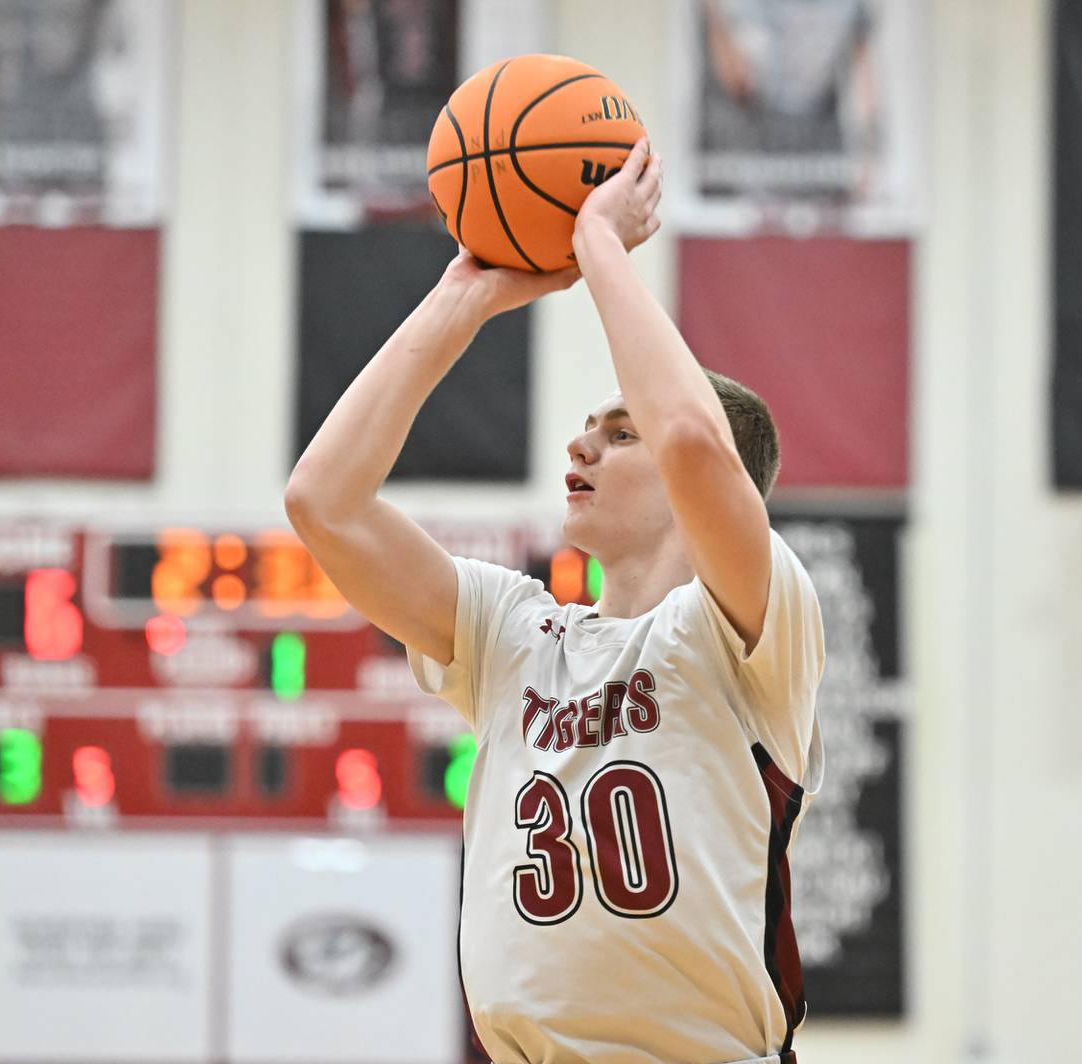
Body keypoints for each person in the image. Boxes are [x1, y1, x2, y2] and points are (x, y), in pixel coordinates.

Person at [285, 139, 825, 1064]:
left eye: (620, 434)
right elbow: (323, 501)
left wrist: (601, 247)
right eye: (585, 428)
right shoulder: (514, 634)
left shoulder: (747, 625)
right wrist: (466, 297)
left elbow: (695, 442)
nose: (580, 449)